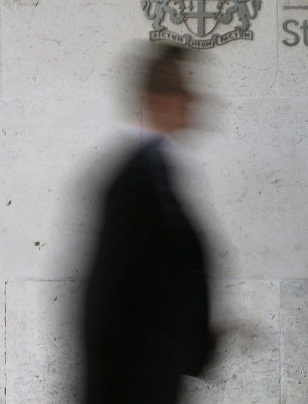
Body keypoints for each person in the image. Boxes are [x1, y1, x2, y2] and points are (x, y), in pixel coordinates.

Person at [83, 45, 214, 403]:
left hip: (154, 377)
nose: (194, 101)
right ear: (155, 100)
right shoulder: (134, 181)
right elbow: (105, 297)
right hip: (134, 384)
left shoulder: (159, 174)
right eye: (183, 91)